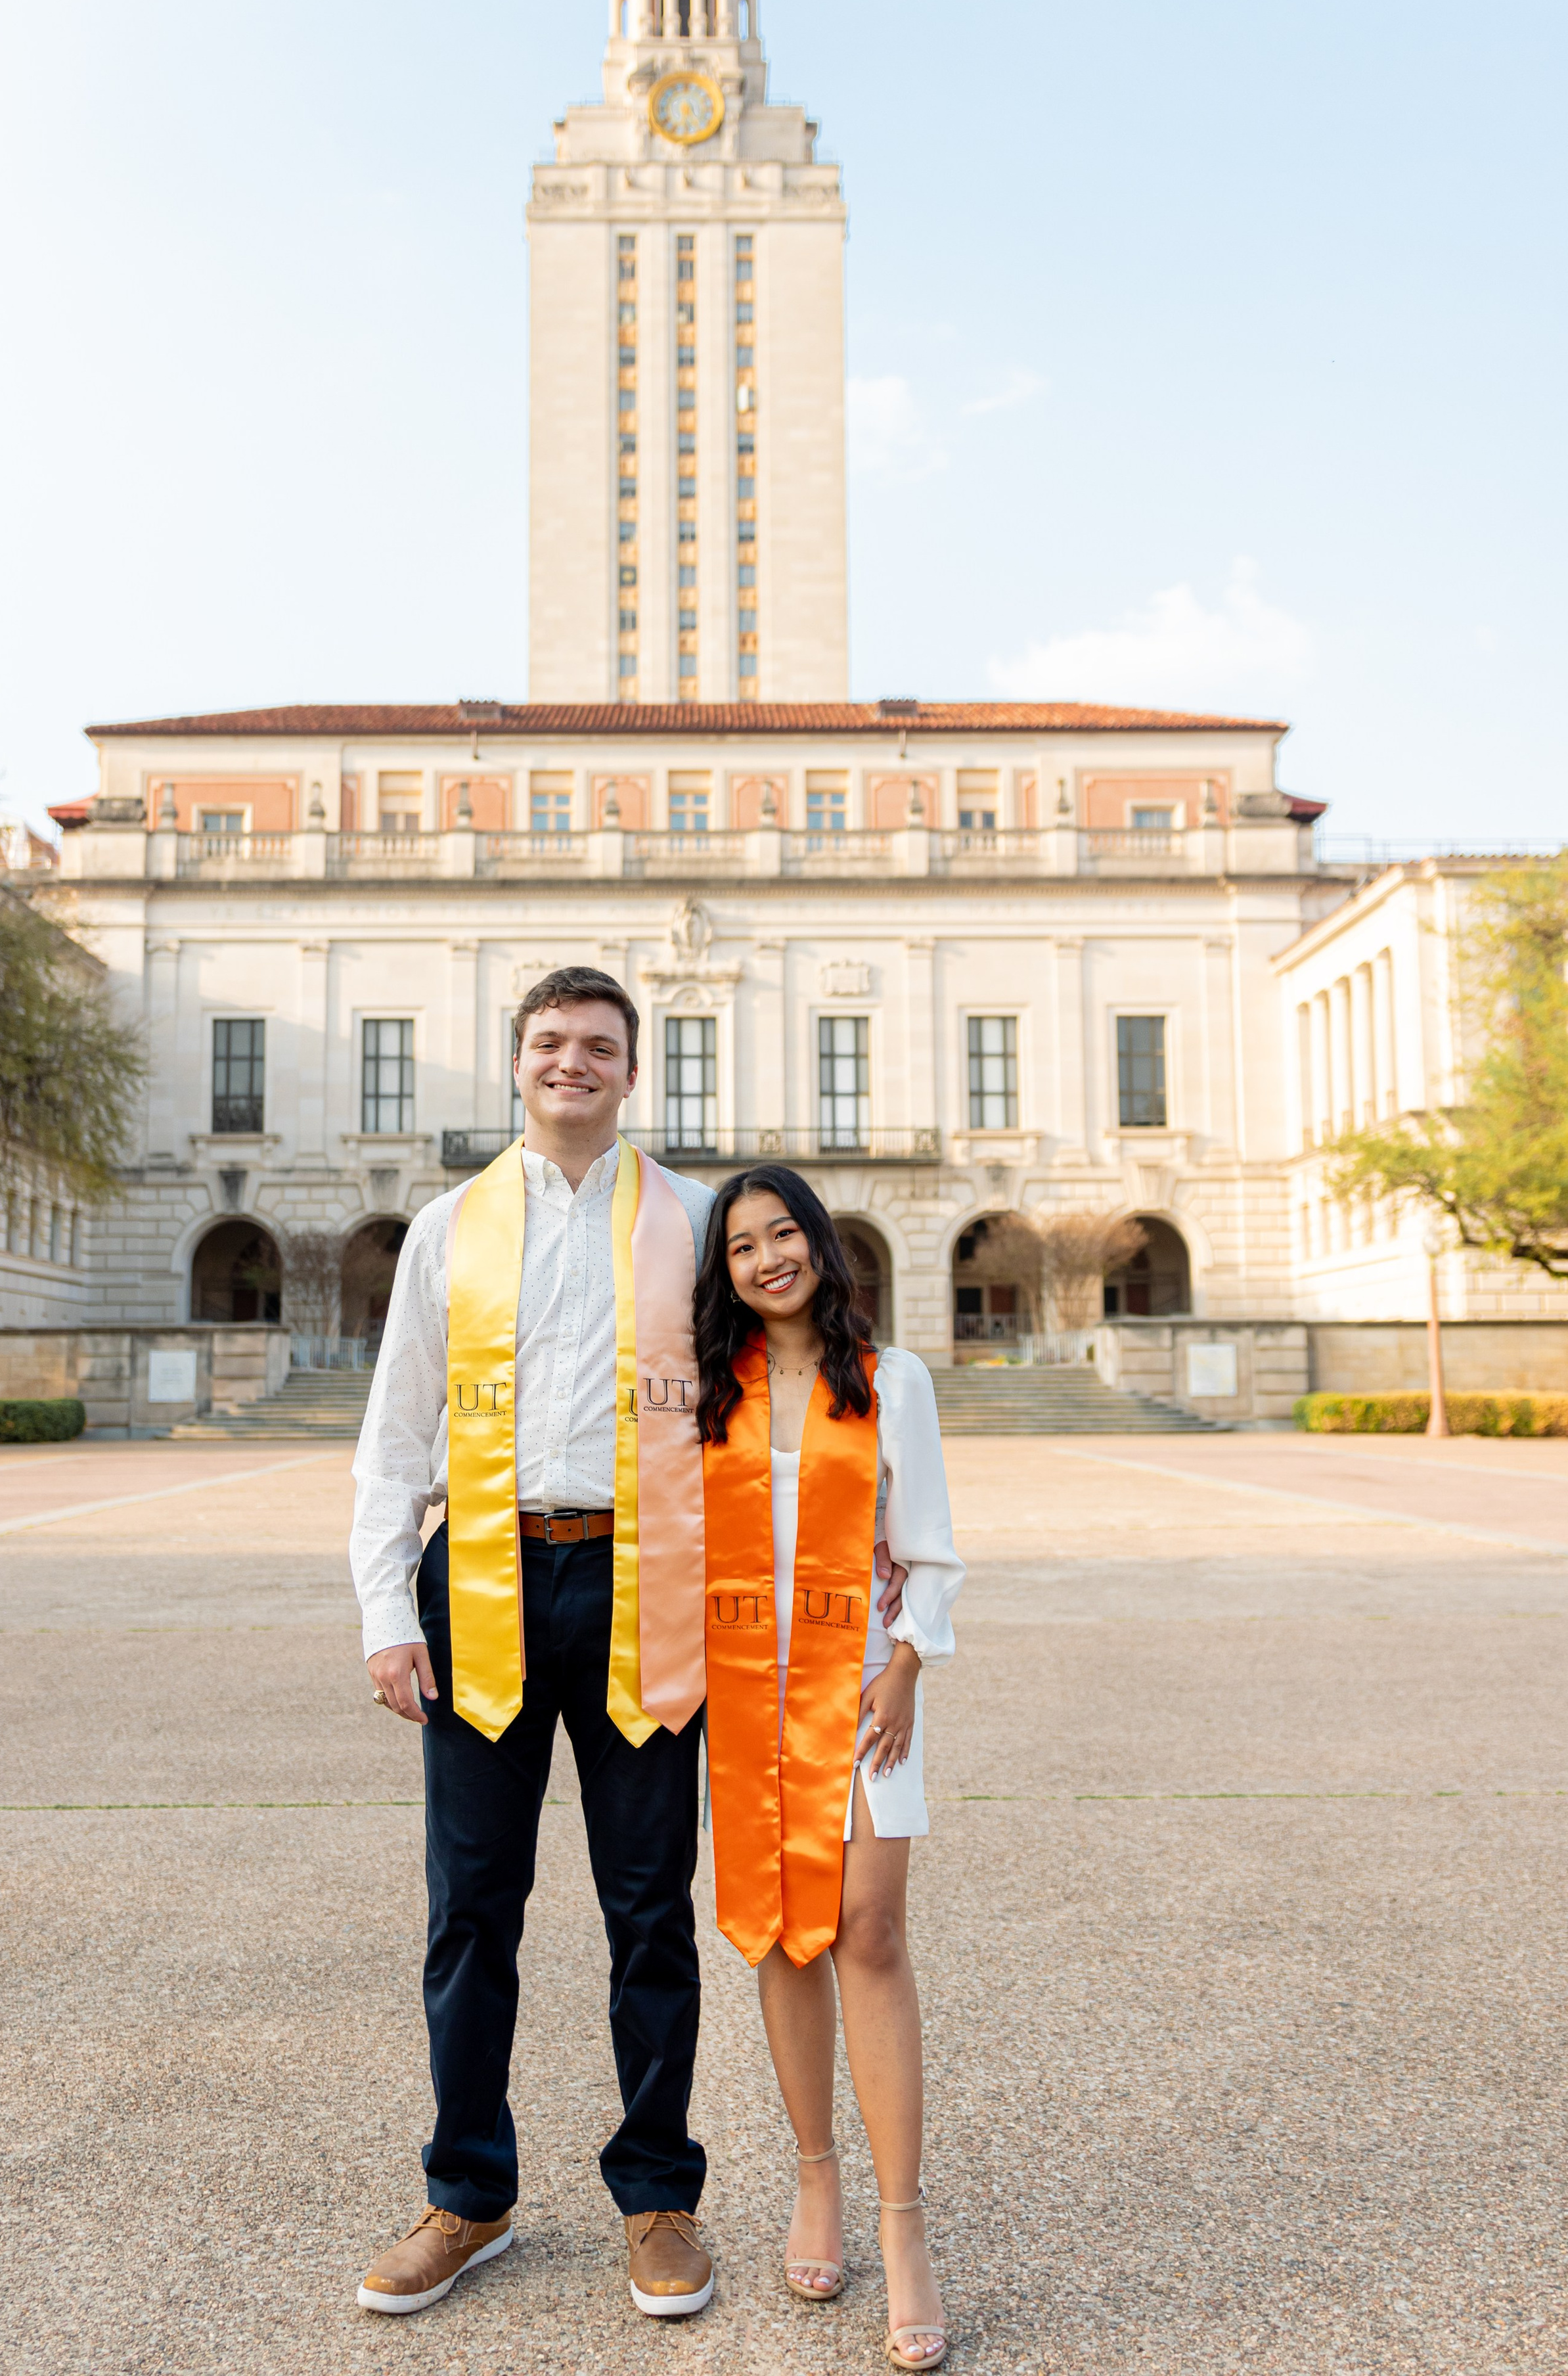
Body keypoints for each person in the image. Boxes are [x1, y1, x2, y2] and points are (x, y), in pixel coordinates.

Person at [348, 966, 721, 2323]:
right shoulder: (451, 1225)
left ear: (633, 1070)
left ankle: (659, 2192)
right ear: (516, 1061)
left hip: (642, 1582)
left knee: (648, 1908)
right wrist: (389, 1609)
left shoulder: (687, 1217)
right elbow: (396, 1431)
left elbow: (748, 1423)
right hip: (486, 1580)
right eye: (550, 1042)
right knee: (468, 1911)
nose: (573, 1062)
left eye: (599, 1046)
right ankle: (468, 2191)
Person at [694, 1165, 965, 2373]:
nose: (768, 1258)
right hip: (746, 1696)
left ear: (820, 1241)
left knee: (870, 1931)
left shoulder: (891, 1380)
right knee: (775, 1929)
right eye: (744, 1244)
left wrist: (907, 1663)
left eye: (784, 1231)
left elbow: (934, 1549)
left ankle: (905, 2229)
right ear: (727, 1270)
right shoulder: (708, 1392)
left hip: (860, 1690)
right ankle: (818, 2181)